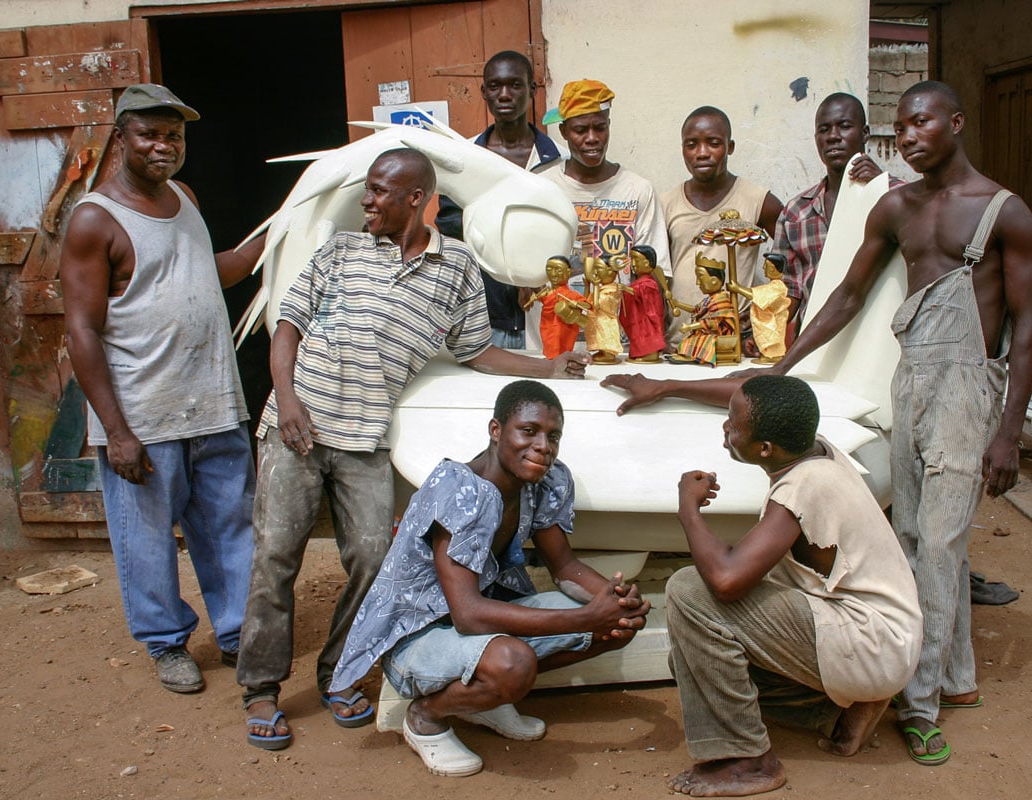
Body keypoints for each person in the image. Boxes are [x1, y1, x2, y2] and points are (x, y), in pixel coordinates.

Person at [602, 80, 1032, 767]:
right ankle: (954, 678)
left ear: (956, 122)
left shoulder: (1003, 213)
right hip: (912, 380)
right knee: (919, 536)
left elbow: (1027, 330)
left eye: (922, 122)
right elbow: (845, 297)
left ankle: (916, 705)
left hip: (967, 388)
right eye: (900, 126)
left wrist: (1009, 428)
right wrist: (785, 365)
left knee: (940, 545)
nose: (909, 135)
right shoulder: (898, 207)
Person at [238, 148, 591, 751]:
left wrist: (548, 366)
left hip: (366, 439)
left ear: (414, 199)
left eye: (378, 192)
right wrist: (287, 399)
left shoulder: (455, 268)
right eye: (367, 191)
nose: (367, 202)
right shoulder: (341, 250)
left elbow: (477, 351)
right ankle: (261, 689)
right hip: (297, 427)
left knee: (374, 562)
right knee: (276, 559)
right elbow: (287, 323)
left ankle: (337, 676)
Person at [329, 379, 650, 776]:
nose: (542, 447)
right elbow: (467, 614)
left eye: (553, 436)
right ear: (496, 431)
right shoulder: (459, 490)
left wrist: (614, 599)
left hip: (478, 627)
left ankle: (485, 698)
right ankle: (426, 717)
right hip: (419, 637)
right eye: (528, 431)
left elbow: (565, 567)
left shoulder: (542, 481)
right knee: (514, 663)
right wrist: (585, 618)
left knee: (617, 623)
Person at [60, 83, 265, 694]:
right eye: (148, 134)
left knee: (231, 530)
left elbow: (208, 272)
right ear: (120, 138)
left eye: (173, 136)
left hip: (215, 403)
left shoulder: (183, 196)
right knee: (146, 542)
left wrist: (273, 243)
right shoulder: (95, 219)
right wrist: (116, 432)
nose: (163, 146)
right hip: (145, 417)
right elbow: (81, 331)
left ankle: (236, 633)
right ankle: (166, 642)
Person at [666, 375, 921, 796]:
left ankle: (749, 760)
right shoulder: (812, 447)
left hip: (871, 641)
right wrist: (665, 388)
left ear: (766, 448)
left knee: (688, 590)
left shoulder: (804, 485)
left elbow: (726, 581)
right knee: (692, 665)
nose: (725, 429)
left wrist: (688, 510)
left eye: (734, 424)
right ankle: (834, 715)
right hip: (883, 638)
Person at [436, 50, 560, 350]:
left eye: (515, 85)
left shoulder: (557, 162)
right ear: (484, 92)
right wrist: (516, 268)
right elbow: (453, 231)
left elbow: (562, 238)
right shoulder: (463, 160)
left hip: (547, 318)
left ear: (532, 90)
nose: (505, 95)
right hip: (482, 318)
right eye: (495, 86)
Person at [774, 92, 895, 336]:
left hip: (875, 338)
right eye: (824, 129)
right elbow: (790, 290)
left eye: (844, 126)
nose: (833, 137)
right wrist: (765, 328)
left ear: (865, 133)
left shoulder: (896, 197)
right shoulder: (796, 211)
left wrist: (880, 186)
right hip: (814, 342)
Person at [661, 106, 783, 347]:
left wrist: (764, 306)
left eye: (713, 143)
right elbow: (657, 275)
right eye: (692, 144)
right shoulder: (666, 203)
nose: (702, 153)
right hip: (678, 343)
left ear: (730, 147)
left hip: (736, 343)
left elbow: (792, 265)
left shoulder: (759, 200)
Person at [539, 78, 671, 284]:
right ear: (564, 131)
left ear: (608, 125)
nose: (592, 138)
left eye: (599, 128)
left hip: (617, 314)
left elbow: (655, 273)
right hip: (555, 315)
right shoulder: (543, 188)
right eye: (580, 130)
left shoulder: (637, 190)